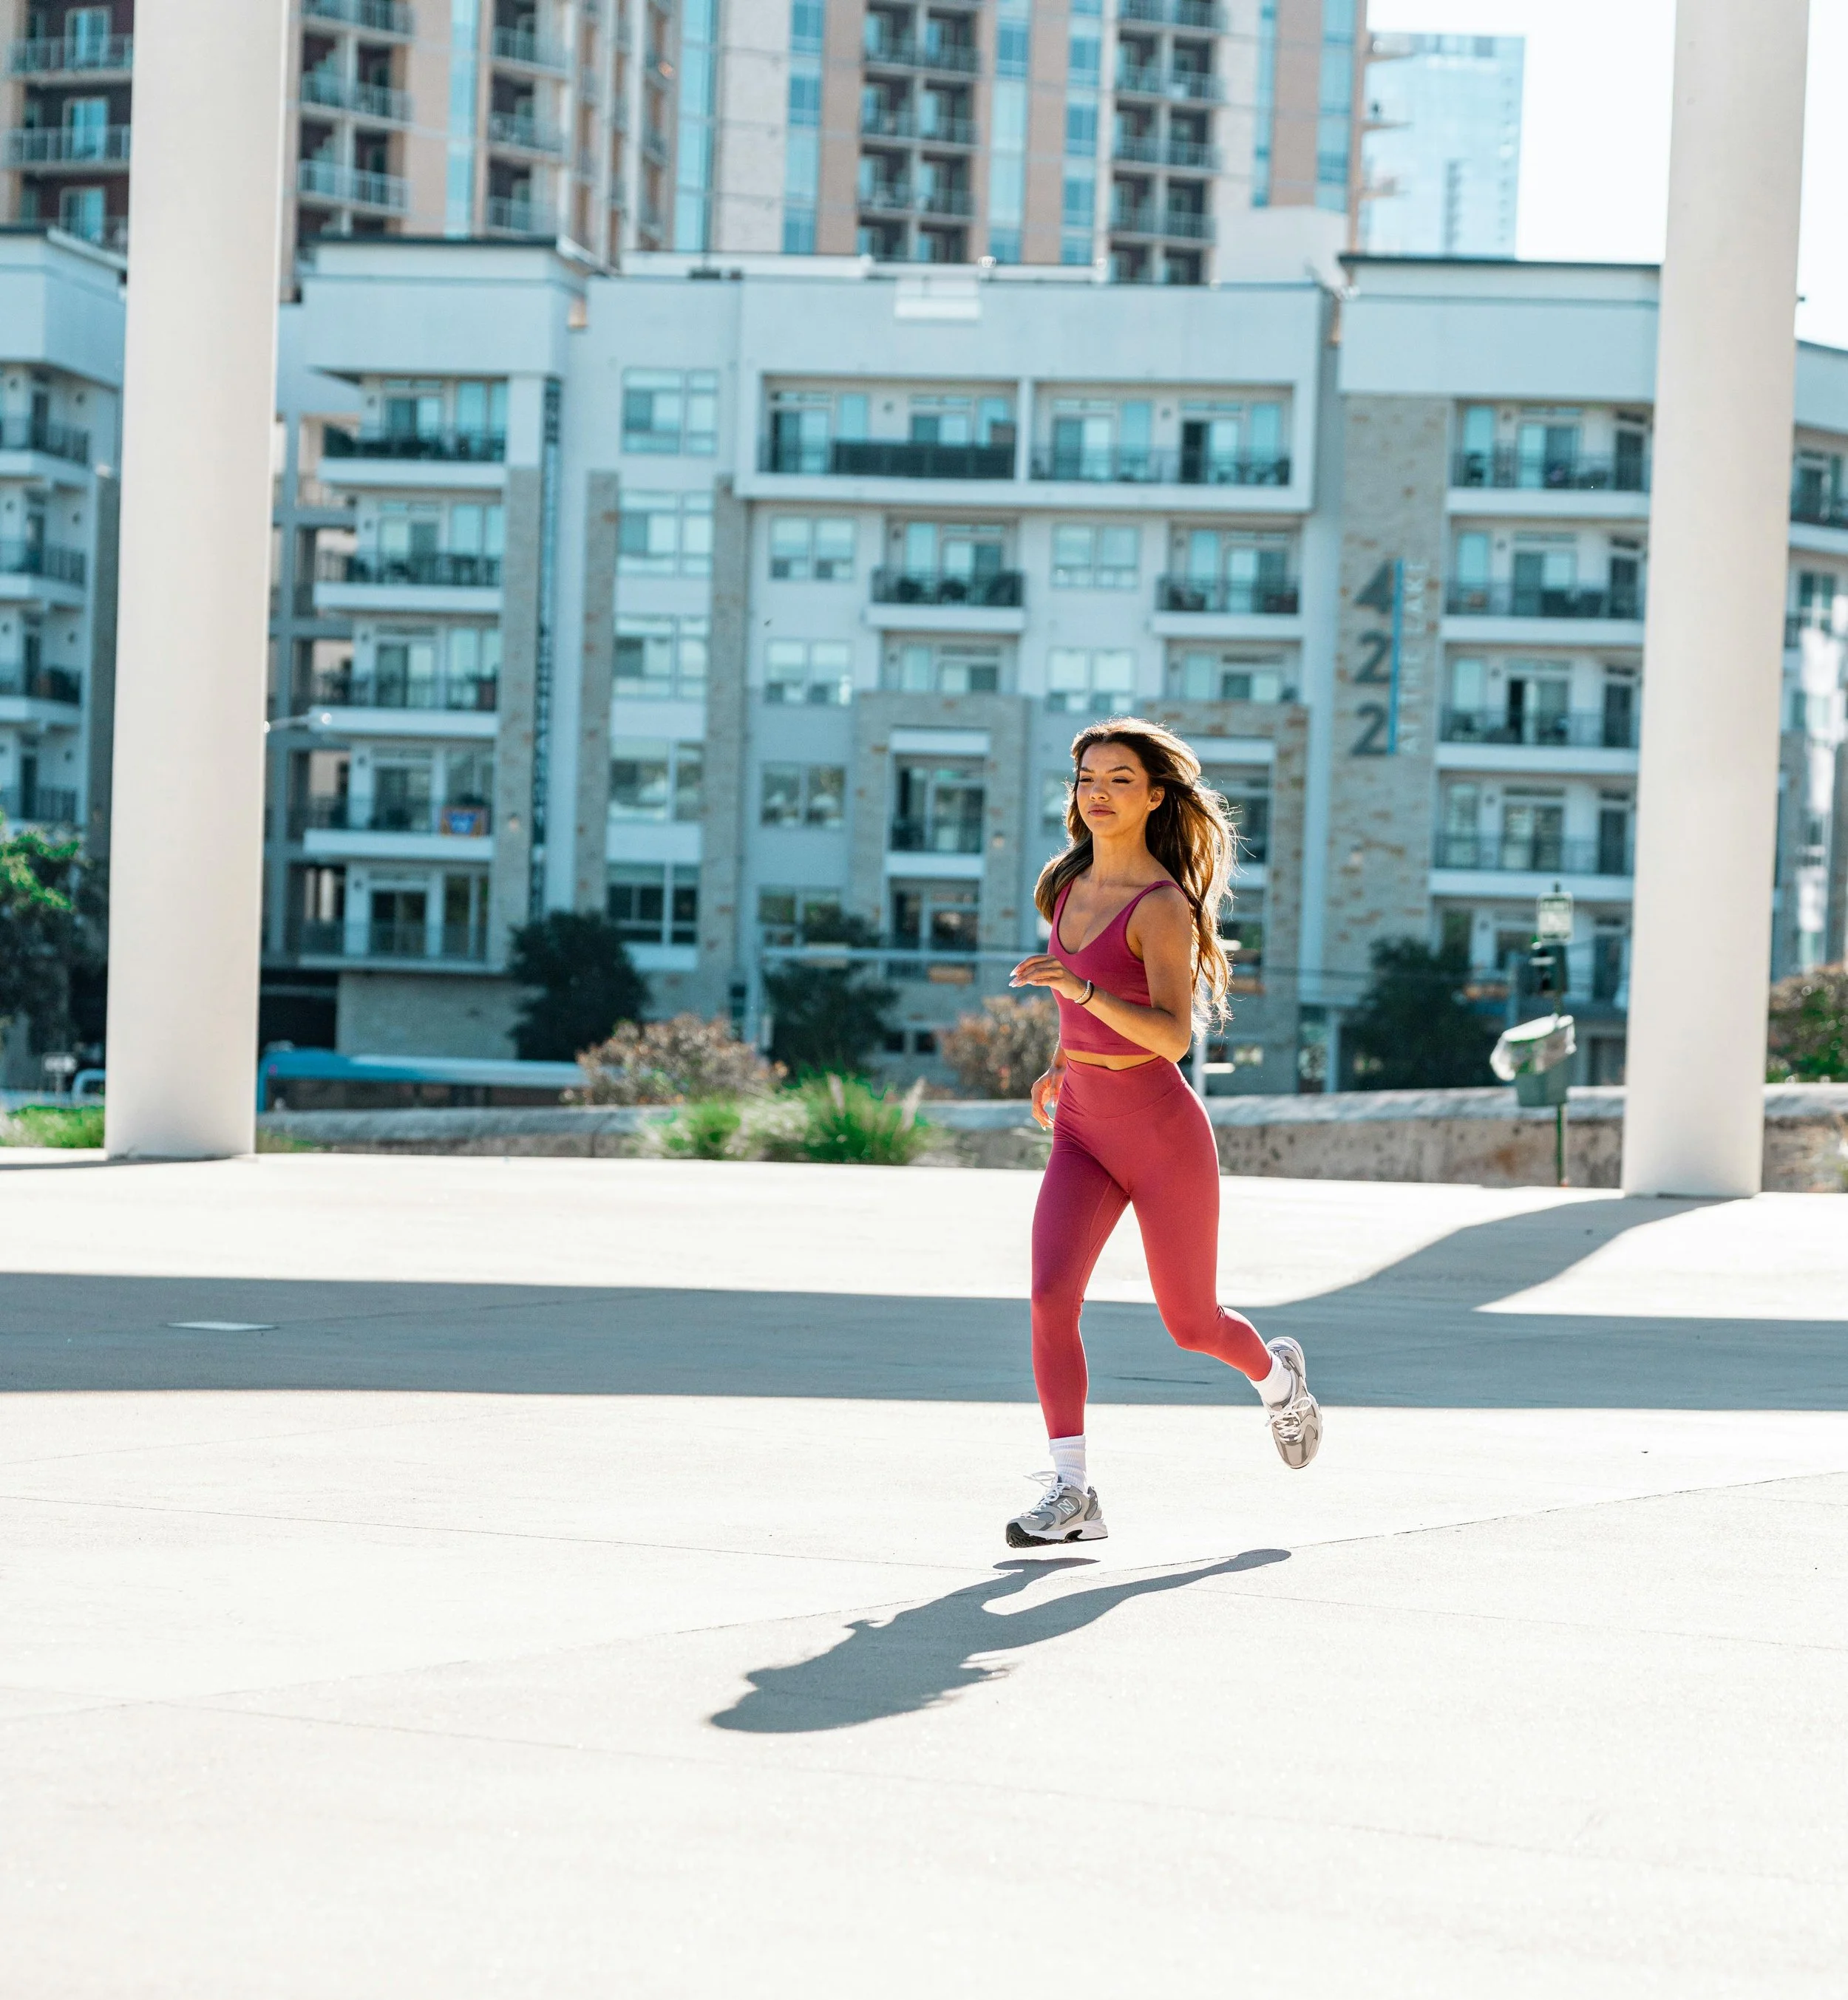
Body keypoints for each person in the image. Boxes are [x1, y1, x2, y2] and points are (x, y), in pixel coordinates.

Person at [1004, 716, 1321, 1548]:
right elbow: (1080, 1005)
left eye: (1118, 780)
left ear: (1153, 797)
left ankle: (1277, 1378)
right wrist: (1060, 1057)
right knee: (1047, 1298)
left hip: (1159, 1132)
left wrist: (1080, 997)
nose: (1098, 794)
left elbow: (1172, 1035)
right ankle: (1073, 1493)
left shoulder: (1163, 907)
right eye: (1086, 780)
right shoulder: (1065, 884)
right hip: (1081, 1123)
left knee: (1189, 1323)